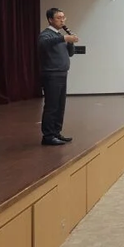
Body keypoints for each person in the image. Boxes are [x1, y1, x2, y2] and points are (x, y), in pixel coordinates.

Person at [39, 8, 78, 146]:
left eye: (63, 17)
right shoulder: (46, 34)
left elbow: (70, 54)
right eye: (58, 18)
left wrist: (70, 42)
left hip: (62, 74)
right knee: (52, 106)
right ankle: (48, 136)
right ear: (50, 20)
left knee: (60, 106)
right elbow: (43, 44)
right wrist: (64, 38)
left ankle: (56, 132)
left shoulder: (59, 36)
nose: (62, 20)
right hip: (51, 75)